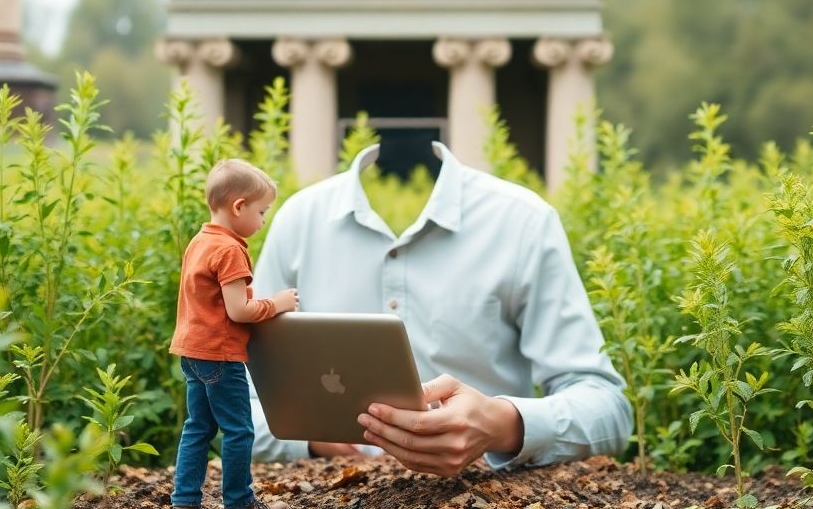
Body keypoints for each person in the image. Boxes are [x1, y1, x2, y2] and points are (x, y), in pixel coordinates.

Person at [249, 142, 633, 476]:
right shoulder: (298, 222)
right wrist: (315, 442)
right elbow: (238, 405)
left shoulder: (522, 221)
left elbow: (608, 409)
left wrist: (502, 425)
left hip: (494, 505)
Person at [167, 158, 299, 509]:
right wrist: (277, 304)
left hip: (193, 352)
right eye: (261, 212)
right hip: (221, 355)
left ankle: (185, 508)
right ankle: (241, 506)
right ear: (238, 206)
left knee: (198, 428)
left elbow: (210, 299)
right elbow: (238, 310)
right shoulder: (230, 249)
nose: (261, 221)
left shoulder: (200, 241)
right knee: (239, 430)